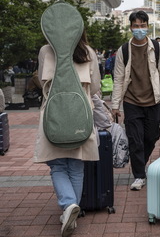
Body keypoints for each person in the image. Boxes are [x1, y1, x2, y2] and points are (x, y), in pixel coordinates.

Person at [34, 30, 101, 236]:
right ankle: (71, 208)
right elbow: (96, 86)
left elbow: (39, 80)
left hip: (54, 113)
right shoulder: (87, 51)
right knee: (76, 164)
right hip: (80, 114)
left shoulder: (46, 50)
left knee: (57, 164)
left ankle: (68, 205)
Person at [111, 11, 160, 191]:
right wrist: (115, 105)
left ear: (147, 26)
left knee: (151, 136)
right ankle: (139, 175)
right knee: (135, 139)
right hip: (131, 101)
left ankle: (140, 163)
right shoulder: (123, 50)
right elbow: (119, 78)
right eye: (136, 26)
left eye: (142, 25)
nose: (139, 29)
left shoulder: (157, 48)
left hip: (154, 100)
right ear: (130, 27)